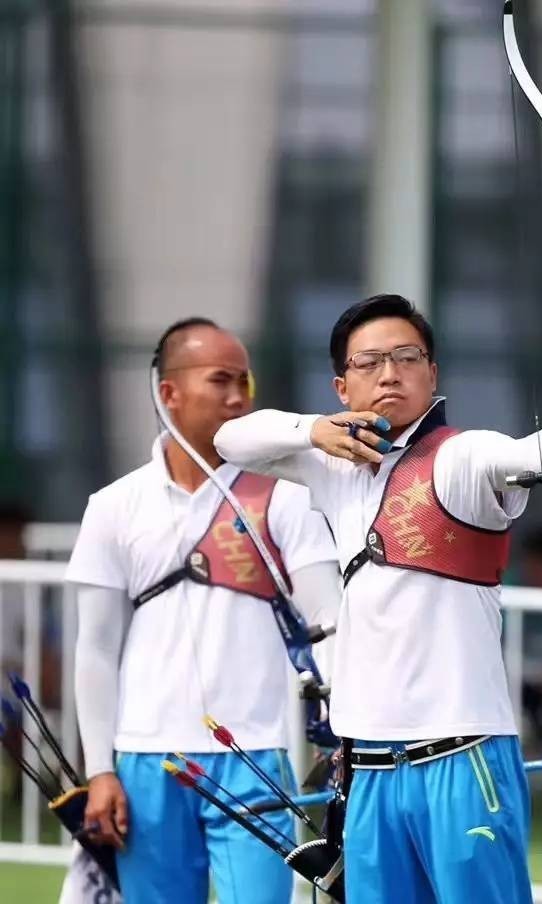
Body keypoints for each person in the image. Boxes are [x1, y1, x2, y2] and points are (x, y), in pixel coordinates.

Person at [213, 293, 542, 904]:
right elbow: (229, 439)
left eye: (407, 357)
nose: (389, 373)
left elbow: (529, 451)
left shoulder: (461, 456)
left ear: (431, 373)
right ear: (341, 385)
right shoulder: (329, 467)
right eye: (369, 362)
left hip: (463, 757)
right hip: (368, 768)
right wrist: (314, 430)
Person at [65, 318, 343, 904]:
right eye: (221, 380)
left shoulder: (285, 498)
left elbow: (330, 623)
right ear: (169, 393)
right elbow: (94, 648)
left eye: (245, 381)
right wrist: (100, 770)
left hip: (257, 760)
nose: (239, 398)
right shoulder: (114, 506)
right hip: (144, 761)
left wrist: (347, 732)